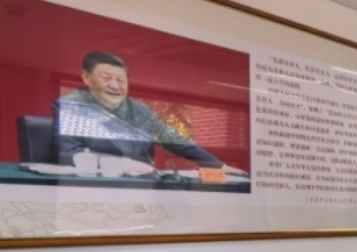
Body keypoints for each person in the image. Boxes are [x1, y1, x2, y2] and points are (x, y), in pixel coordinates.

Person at [52, 51, 240, 172]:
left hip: (143, 188)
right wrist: (123, 165)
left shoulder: (139, 109)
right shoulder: (71, 106)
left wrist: (218, 166)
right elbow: (68, 154)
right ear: (86, 78)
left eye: (121, 80)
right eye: (106, 78)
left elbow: (175, 139)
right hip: (94, 191)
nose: (115, 86)